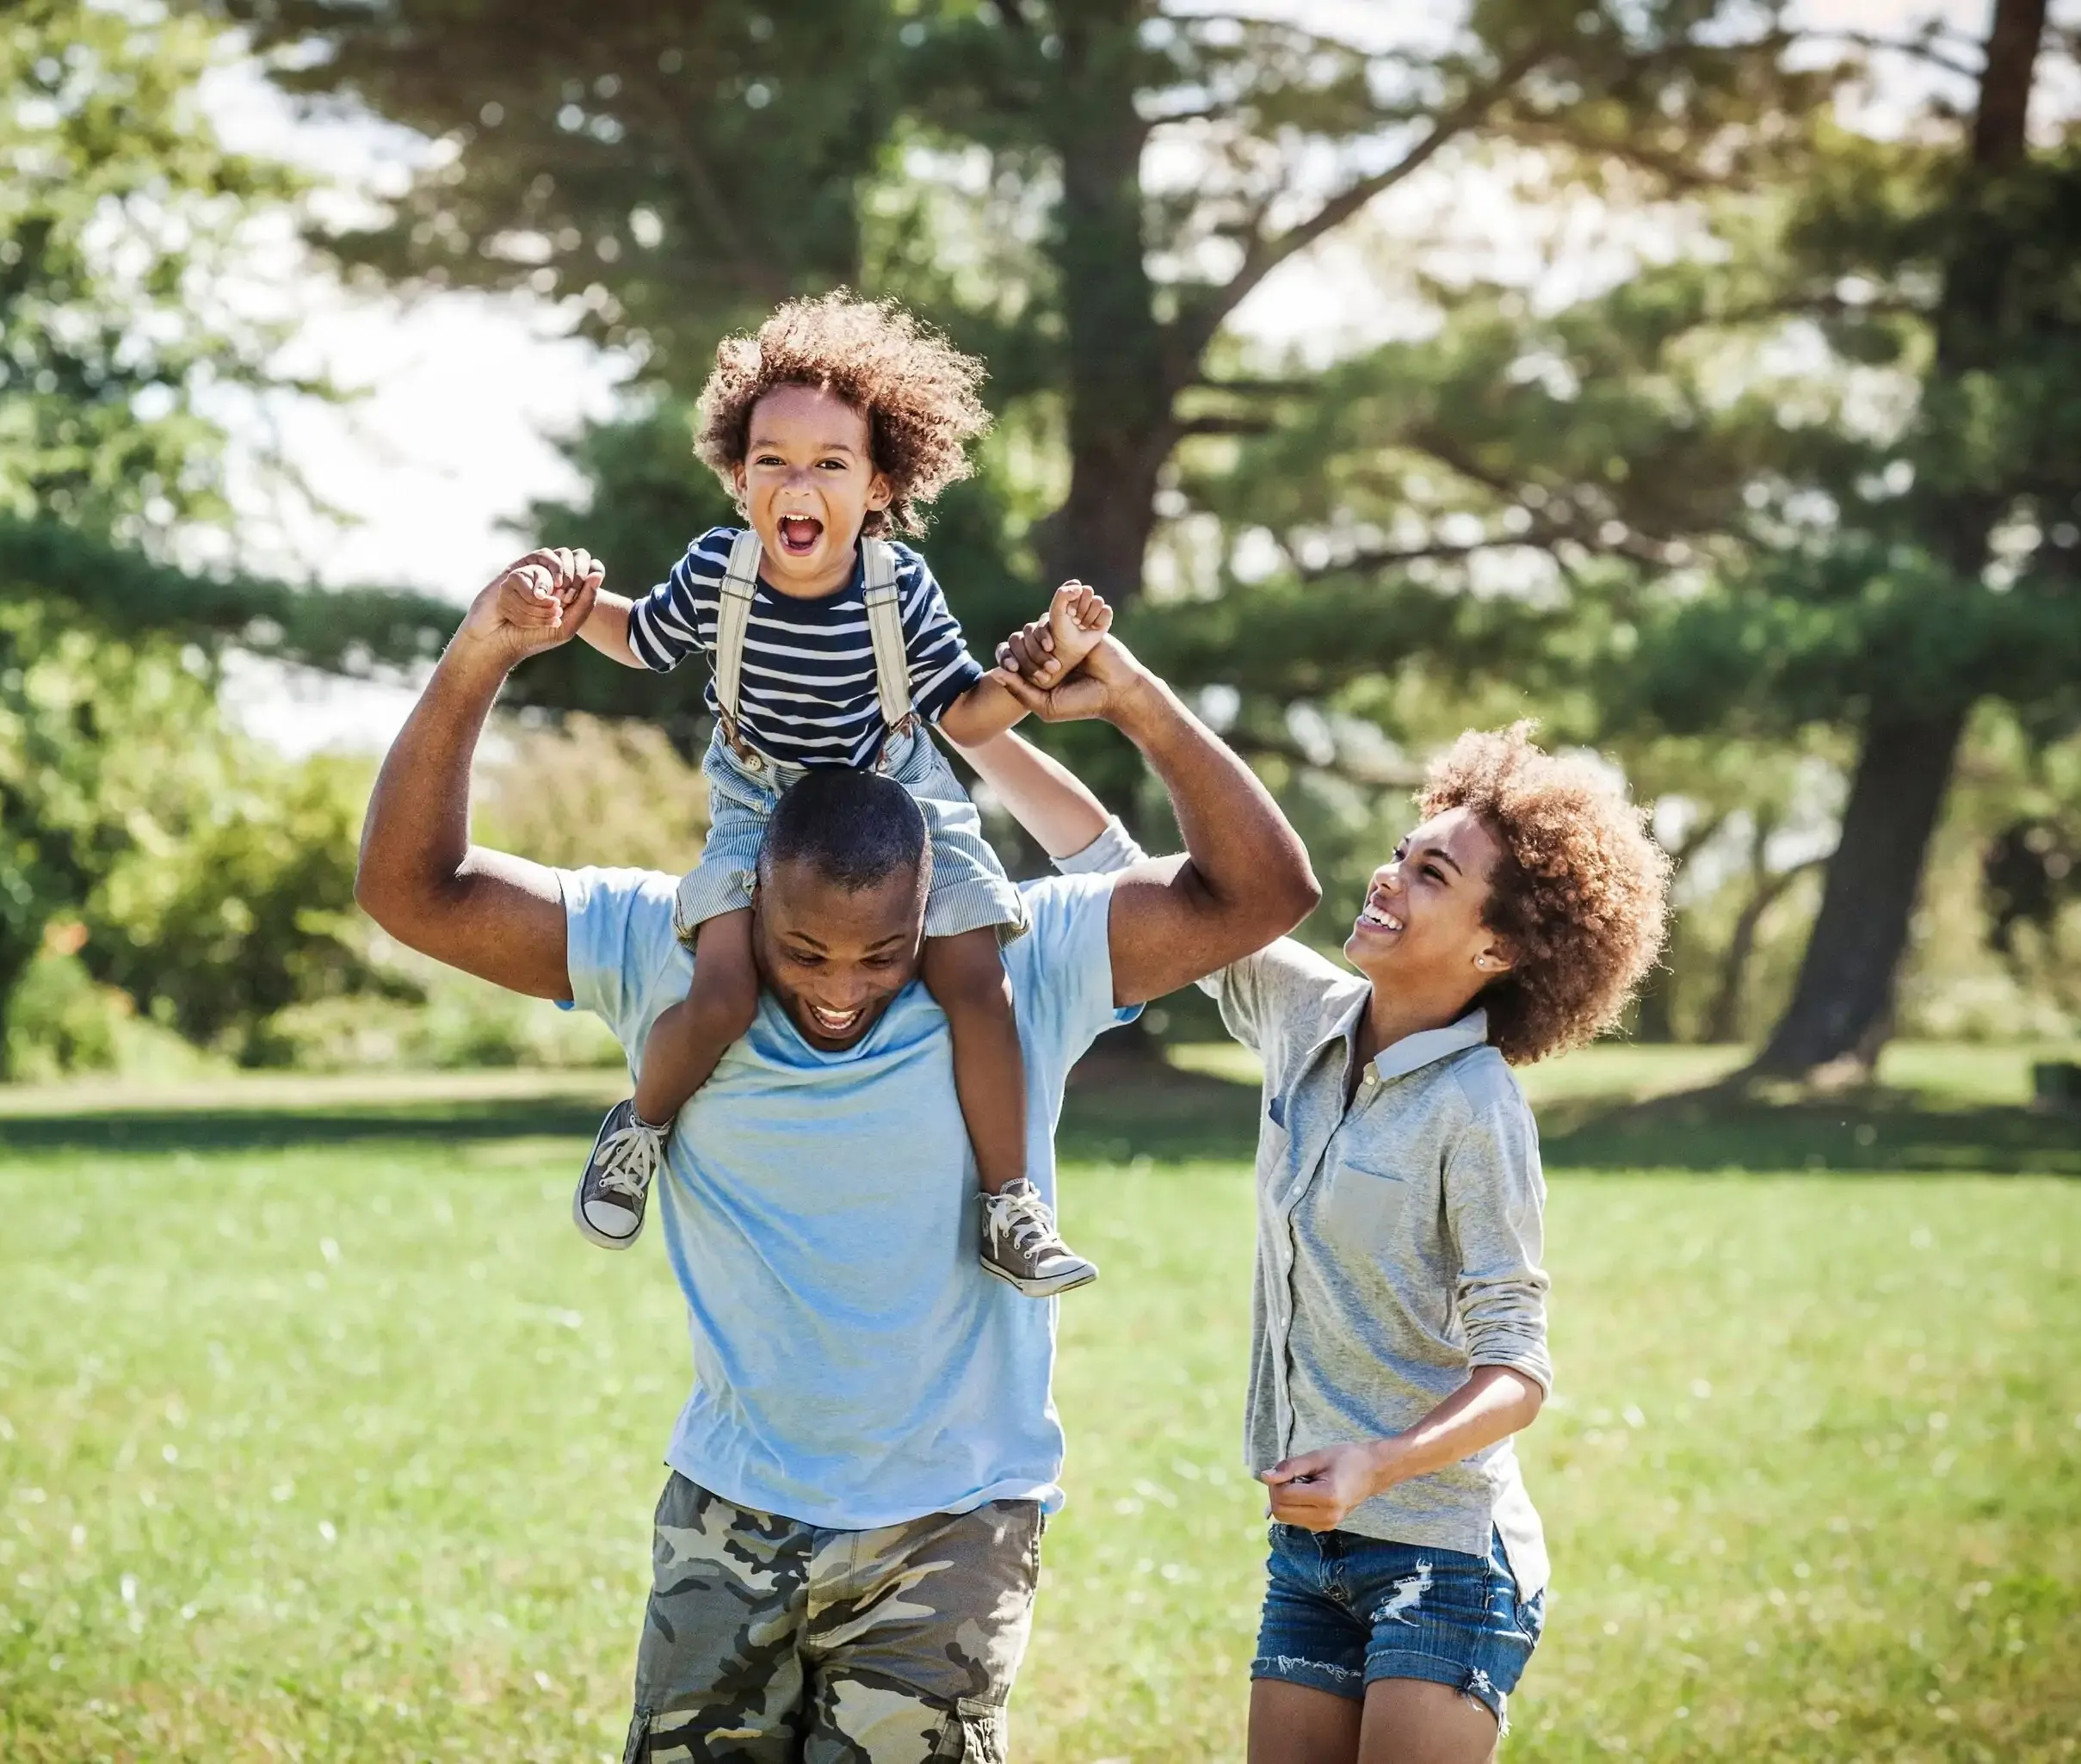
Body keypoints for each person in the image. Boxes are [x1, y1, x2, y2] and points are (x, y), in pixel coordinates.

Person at [353, 552, 1319, 1762]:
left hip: (948, 1530)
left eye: (886, 955)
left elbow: (1264, 890)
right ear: (746, 894)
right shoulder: (663, 944)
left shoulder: (1027, 952)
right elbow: (411, 888)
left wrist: (1127, 692)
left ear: (937, 910)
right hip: (728, 1514)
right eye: (801, 950)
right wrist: (481, 653)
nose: (840, 993)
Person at [553, 290, 1114, 1296]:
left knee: (979, 984)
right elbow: (640, 638)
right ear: (738, 476)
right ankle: (638, 1126)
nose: (796, 483)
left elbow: (961, 717)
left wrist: (1038, 672)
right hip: (757, 804)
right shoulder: (718, 573)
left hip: (899, 798)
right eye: (771, 460)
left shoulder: (899, 590)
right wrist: (571, 600)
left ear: (879, 482)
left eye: (829, 464)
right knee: (723, 989)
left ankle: (1010, 1204)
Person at [1205, 725, 1670, 1764]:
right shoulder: (1304, 1014)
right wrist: (1009, 722)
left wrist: (1379, 1461)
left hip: (1450, 1559)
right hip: (1311, 1552)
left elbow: (1519, 1369)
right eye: (1403, 850)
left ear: (1495, 949)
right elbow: (1120, 874)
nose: (1388, 877)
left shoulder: (1479, 1108)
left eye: (1431, 873)